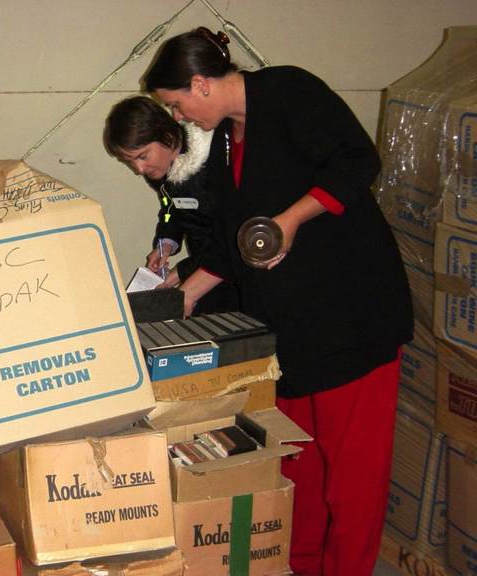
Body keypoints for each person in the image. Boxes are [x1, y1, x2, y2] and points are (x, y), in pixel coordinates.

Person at [144, 27, 413, 576]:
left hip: (351, 320)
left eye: (176, 104)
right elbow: (231, 236)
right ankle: (301, 563)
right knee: (300, 462)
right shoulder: (226, 138)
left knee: (352, 474)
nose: (179, 116)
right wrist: (184, 296)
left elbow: (357, 161)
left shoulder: (288, 91)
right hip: (292, 328)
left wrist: (290, 220)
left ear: (200, 84)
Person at [104, 95, 238, 314]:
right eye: (129, 161)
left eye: (142, 156)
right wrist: (165, 243)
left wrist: (182, 272)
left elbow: (227, 240)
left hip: (233, 272)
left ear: (167, 137)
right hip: (205, 268)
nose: (139, 169)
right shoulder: (161, 171)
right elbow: (171, 209)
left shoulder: (213, 166)